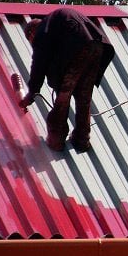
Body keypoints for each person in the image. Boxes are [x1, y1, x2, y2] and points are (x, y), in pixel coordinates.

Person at [20, 8, 115, 152]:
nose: (33, 44)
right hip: (98, 46)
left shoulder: (41, 32)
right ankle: (82, 140)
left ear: (31, 33)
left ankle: (56, 140)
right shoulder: (55, 25)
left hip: (79, 47)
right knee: (84, 97)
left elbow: (39, 63)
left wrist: (32, 92)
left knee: (63, 96)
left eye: (31, 40)